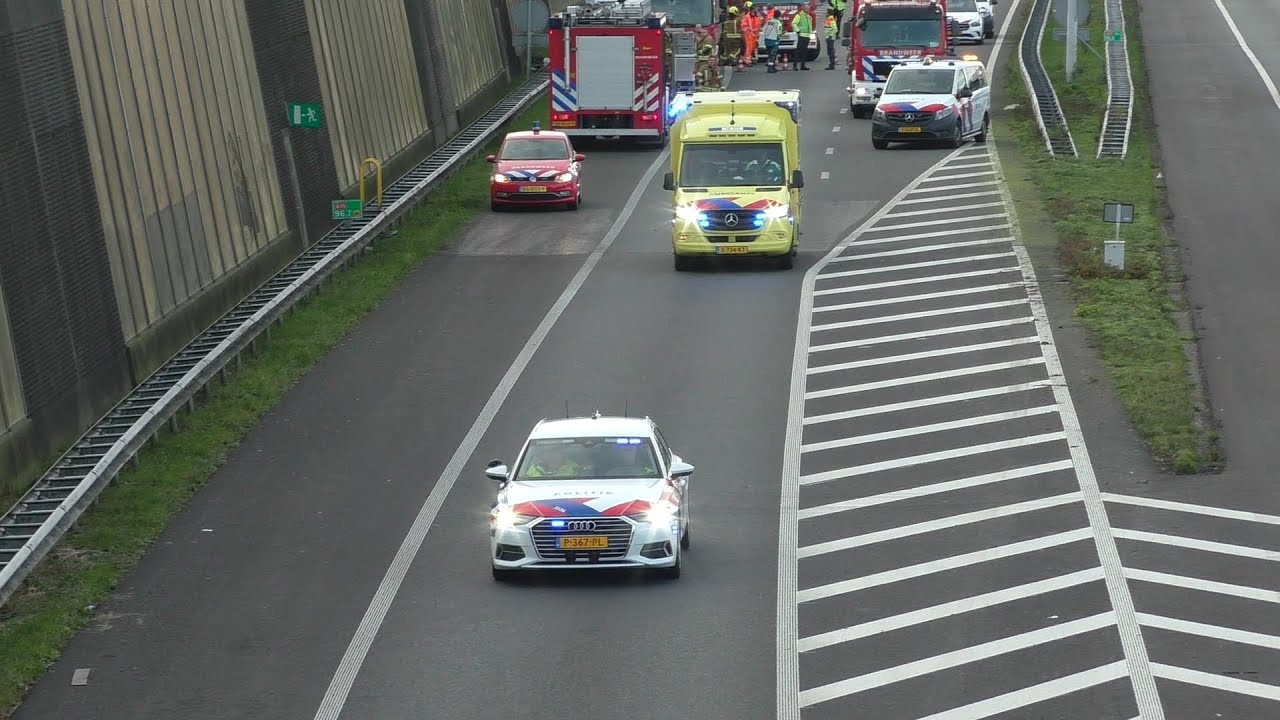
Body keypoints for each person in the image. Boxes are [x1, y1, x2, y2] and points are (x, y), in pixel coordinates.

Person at [760, 7, 782, 73]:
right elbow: (779, 32)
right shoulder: (778, 22)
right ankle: (770, 68)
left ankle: (772, 67)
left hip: (767, 40)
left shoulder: (769, 21)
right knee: (773, 55)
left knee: (770, 55)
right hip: (774, 40)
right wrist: (779, 37)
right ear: (779, 16)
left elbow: (764, 29)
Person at [792, 4, 813, 70]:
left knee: (804, 51)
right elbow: (794, 23)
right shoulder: (799, 15)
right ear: (804, 9)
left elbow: (810, 26)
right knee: (798, 51)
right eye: (807, 9)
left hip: (807, 36)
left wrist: (811, 33)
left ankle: (803, 65)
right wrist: (797, 31)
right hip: (801, 35)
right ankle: (795, 66)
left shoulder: (809, 16)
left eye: (809, 9)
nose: (809, 10)